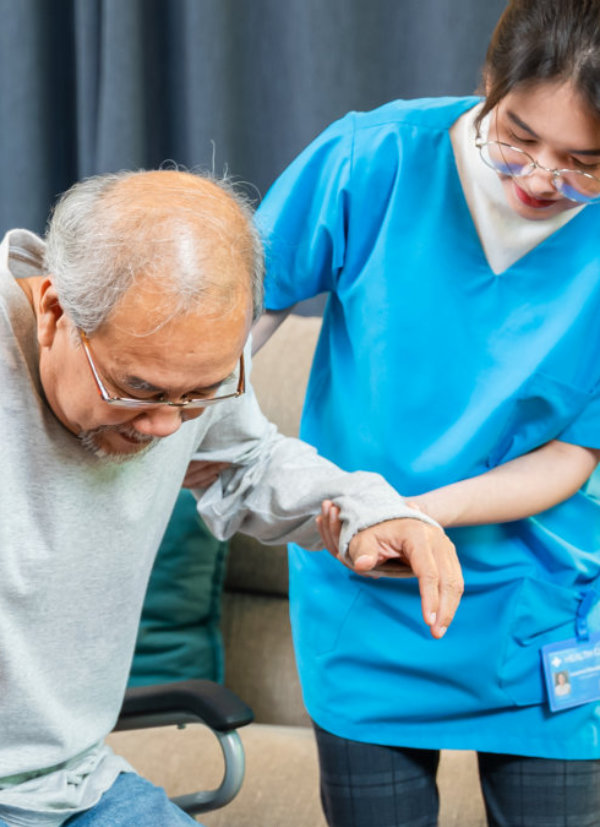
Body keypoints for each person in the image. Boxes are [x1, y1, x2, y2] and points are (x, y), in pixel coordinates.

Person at [0, 169, 463, 827]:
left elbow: (248, 462)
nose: (166, 426)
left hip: (75, 781)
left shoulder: (186, 371)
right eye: (141, 389)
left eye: (198, 393)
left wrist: (367, 509)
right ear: (53, 312)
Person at [247, 1, 600, 824]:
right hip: (367, 590)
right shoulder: (374, 158)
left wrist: (417, 514)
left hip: (536, 603)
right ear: (486, 81)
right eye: (515, 136)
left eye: (586, 160)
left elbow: (574, 454)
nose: (542, 178)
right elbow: (231, 319)